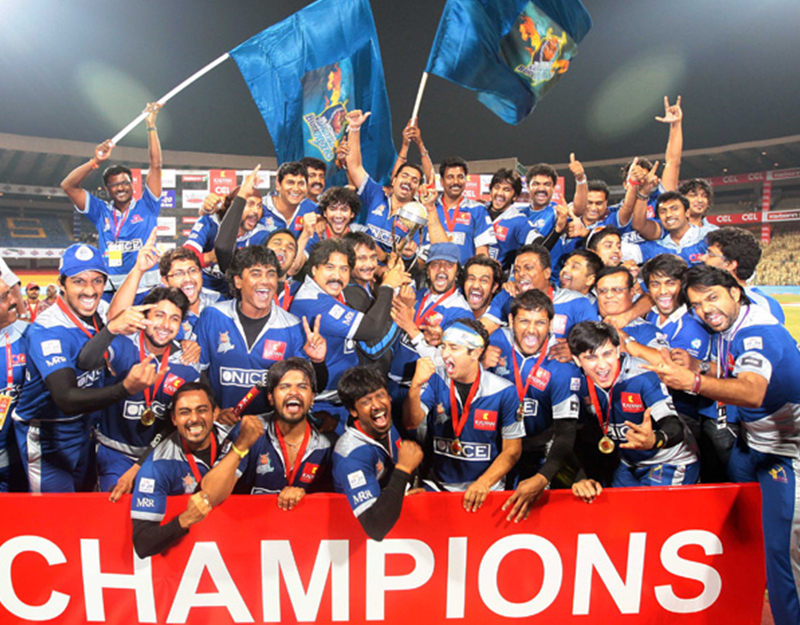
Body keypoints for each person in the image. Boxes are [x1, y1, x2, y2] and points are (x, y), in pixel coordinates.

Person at [645, 265, 800, 625]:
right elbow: (729, 368)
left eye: (712, 298)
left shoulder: (757, 333)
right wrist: (700, 365)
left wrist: (693, 381)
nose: (705, 310)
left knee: (782, 552)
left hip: (786, 453)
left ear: (735, 292)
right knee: (745, 527)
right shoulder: (728, 325)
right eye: (697, 304)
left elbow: (751, 390)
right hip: (754, 445)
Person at [12, 244, 154, 492]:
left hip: (86, 428)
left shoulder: (100, 311)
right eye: (79, 281)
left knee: (85, 501)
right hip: (49, 434)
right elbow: (66, 398)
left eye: (97, 281)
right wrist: (125, 388)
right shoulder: (47, 329)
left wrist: (138, 269)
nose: (89, 290)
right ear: (62, 283)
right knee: (57, 510)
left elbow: (120, 312)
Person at [76, 287, 201, 497]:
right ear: (145, 317)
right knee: (115, 502)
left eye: (174, 319)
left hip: (161, 455)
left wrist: (139, 466)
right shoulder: (122, 343)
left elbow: (175, 425)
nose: (165, 325)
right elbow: (85, 362)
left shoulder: (187, 362)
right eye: (159, 315)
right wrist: (111, 328)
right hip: (114, 452)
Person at [129, 382, 262, 558]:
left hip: (242, 549)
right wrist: (185, 520)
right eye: (185, 412)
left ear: (215, 413)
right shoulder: (157, 466)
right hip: (190, 560)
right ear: (174, 419)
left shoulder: (237, 437)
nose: (194, 418)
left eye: (202, 410)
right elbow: (143, 544)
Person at [403, 319, 524, 509]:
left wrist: (484, 483)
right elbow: (411, 422)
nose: (444, 354)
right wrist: (415, 387)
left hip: (486, 489)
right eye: (444, 346)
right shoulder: (436, 379)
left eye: (454, 347)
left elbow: (512, 450)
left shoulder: (504, 391)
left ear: (475, 353)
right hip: (438, 487)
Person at [194, 245, 327, 416]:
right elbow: (197, 372)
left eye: (271, 274)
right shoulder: (213, 316)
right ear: (238, 281)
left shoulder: (292, 326)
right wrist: (215, 411)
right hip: (221, 422)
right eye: (256, 274)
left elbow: (315, 387)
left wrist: (318, 361)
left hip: (269, 426)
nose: (265, 281)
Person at [291, 238, 410, 430]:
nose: (337, 276)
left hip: (341, 398)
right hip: (322, 404)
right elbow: (371, 329)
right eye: (330, 267)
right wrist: (388, 286)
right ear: (314, 269)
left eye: (344, 269)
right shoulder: (313, 302)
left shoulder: (331, 294)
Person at [484, 290, 582, 522]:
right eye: (524, 321)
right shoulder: (494, 341)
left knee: (537, 519)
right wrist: (477, 360)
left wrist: (542, 477)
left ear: (551, 324)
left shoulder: (562, 362)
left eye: (540, 322)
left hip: (538, 448)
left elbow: (566, 433)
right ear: (511, 321)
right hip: (494, 446)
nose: (531, 330)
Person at [567, 321, 698, 491]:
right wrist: (585, 477)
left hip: (668, 461)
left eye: (607, 354)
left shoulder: (643, 375)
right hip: (625, 463)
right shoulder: (575, 383)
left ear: (617, 351)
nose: (602, 365)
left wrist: (656, 439)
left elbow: (674, 426)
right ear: (577, 360)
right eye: (591, 357)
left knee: (649, 508)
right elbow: (582, 438)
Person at [641, 254, 730, 483]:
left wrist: (630, 346)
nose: (663, 291)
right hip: (653, 410)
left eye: (670, 283)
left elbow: (677, 378)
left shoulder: (692, 326)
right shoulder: (651, 315)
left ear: (682, 286)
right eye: (655, 284)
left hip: (683, 415)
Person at [60, 103, 164, 299]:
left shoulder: (147, 205)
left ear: (132, 185)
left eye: (125, 183)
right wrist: (95, 162)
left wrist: (151, 125)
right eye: (114, 185)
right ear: (107, 190)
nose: (121, 188)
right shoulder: (100, 211)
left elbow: (156, 165)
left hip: (146, 288)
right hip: (111, 290)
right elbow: (68, 186)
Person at [211, 358, 333, 506]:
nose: (293, 393)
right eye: (284, 387)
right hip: (248, 519)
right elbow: (210, 495)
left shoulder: (326, 445)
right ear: (271, 398)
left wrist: (306, 497)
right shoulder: (251, 431)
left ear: (312, 398)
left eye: (302, 387)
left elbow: (334, 503)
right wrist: (241, 445)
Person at [334, 366, 424, 540]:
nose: (376, 405)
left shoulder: (386, 424)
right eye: (366, 402)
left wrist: (407, 490)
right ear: (353, 411)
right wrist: (403, 470)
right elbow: (375, 527)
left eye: (380, 395)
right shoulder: (351, 456)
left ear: (389, 397)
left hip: (396, 527)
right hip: (353, 541)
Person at [388, 242, 473, 395]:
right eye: (435, 264)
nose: (441, 269)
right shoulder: (420, 295)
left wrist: (411, 328)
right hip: (392, 382)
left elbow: (447, 362)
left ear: (457, 272)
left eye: (448, 264)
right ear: (427, 271)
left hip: (422, 391)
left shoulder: (461, 312)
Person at [703, 226, 785, 324]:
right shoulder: (699, 301)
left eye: (711, 254)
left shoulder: (764, 305)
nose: (703, 258)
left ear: (730, 264)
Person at [428, 156, 496, 263]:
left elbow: (482, 251)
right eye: (450, 177)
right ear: (442, 182)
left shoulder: (478, 210)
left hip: (464, 272)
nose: (456, 181)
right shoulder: (430, 208)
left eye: (460, 177)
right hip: (434, 270)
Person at [0, 275, 26, 491]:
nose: (14, 301)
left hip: (17, 460)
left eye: (10, 293)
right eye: (4, 297)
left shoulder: (27, 334)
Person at [462, 255, 503, 321]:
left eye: (484, 281)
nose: (476, 286)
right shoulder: (452, 313)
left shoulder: (499, 320)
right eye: (471, 279)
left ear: (494, 287)